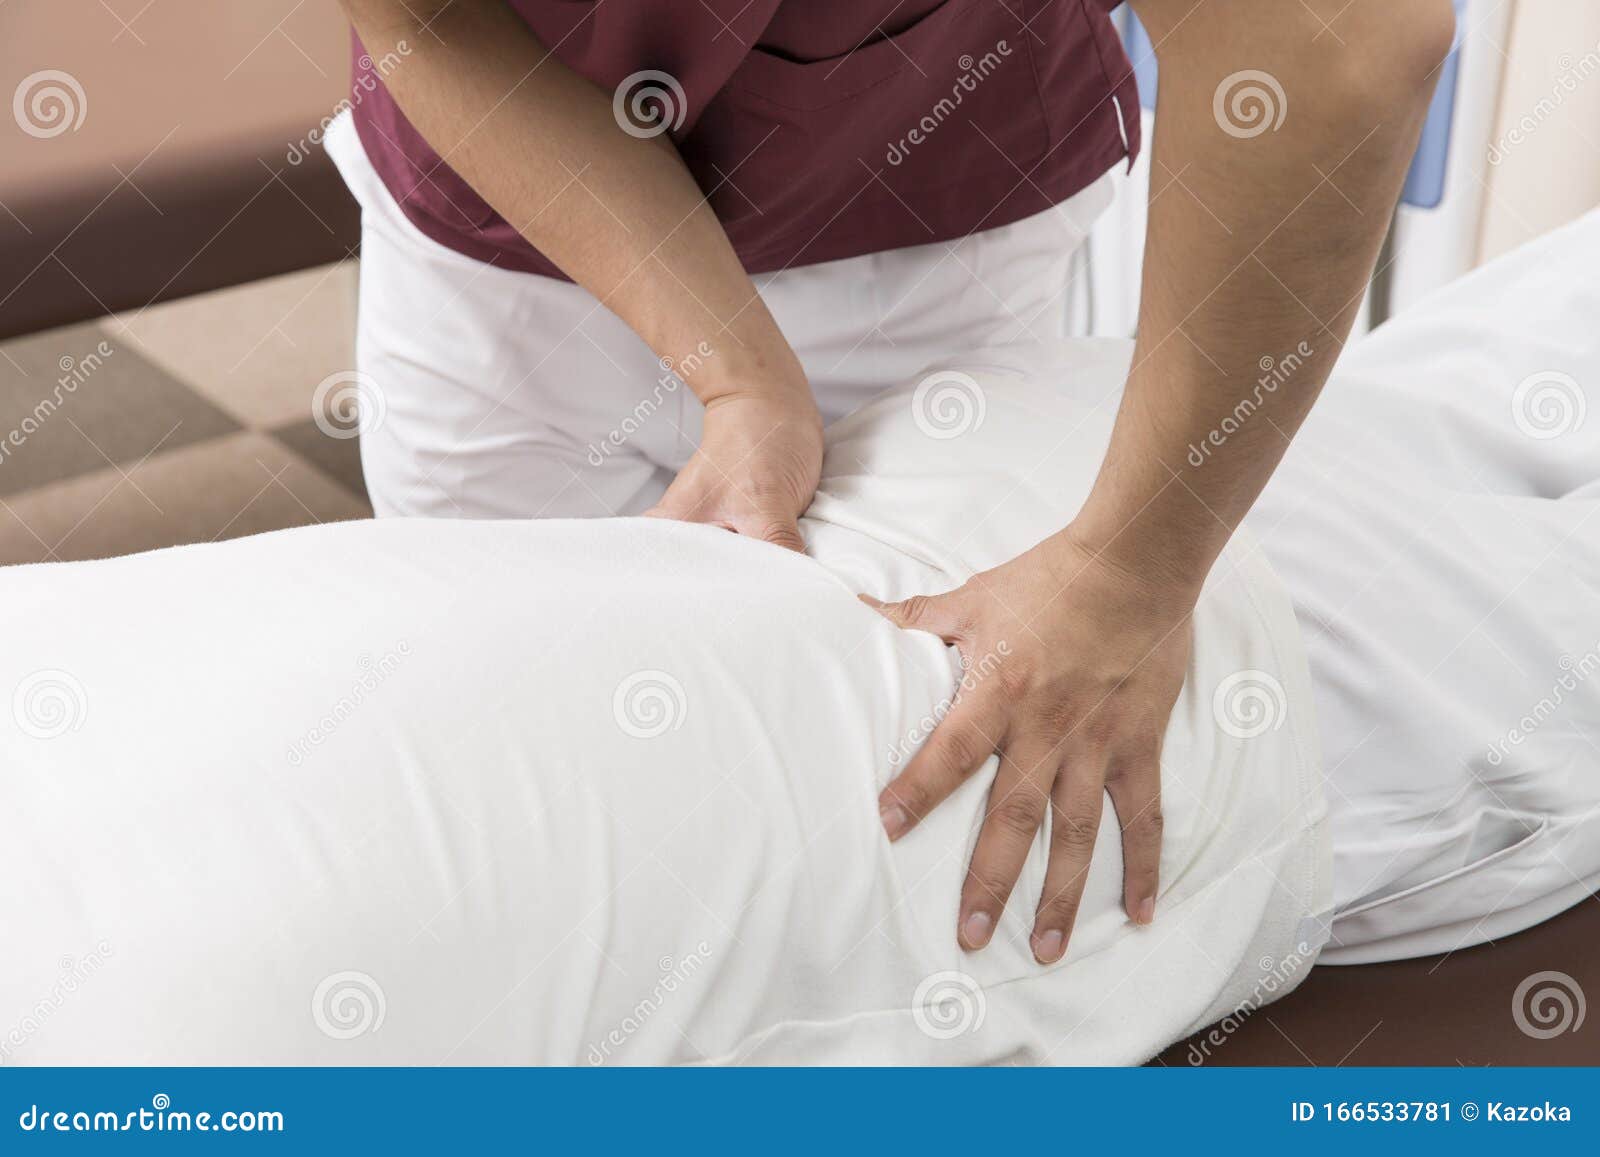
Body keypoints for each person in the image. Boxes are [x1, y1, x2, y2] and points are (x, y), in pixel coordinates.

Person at [331, 0, 1455, 966]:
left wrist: (1129, 572)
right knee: (517, 810)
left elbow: (1344, 41)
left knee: (905, 827)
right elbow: (428, 15)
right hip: (510, 206)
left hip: (931, 210)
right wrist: (739, 376)